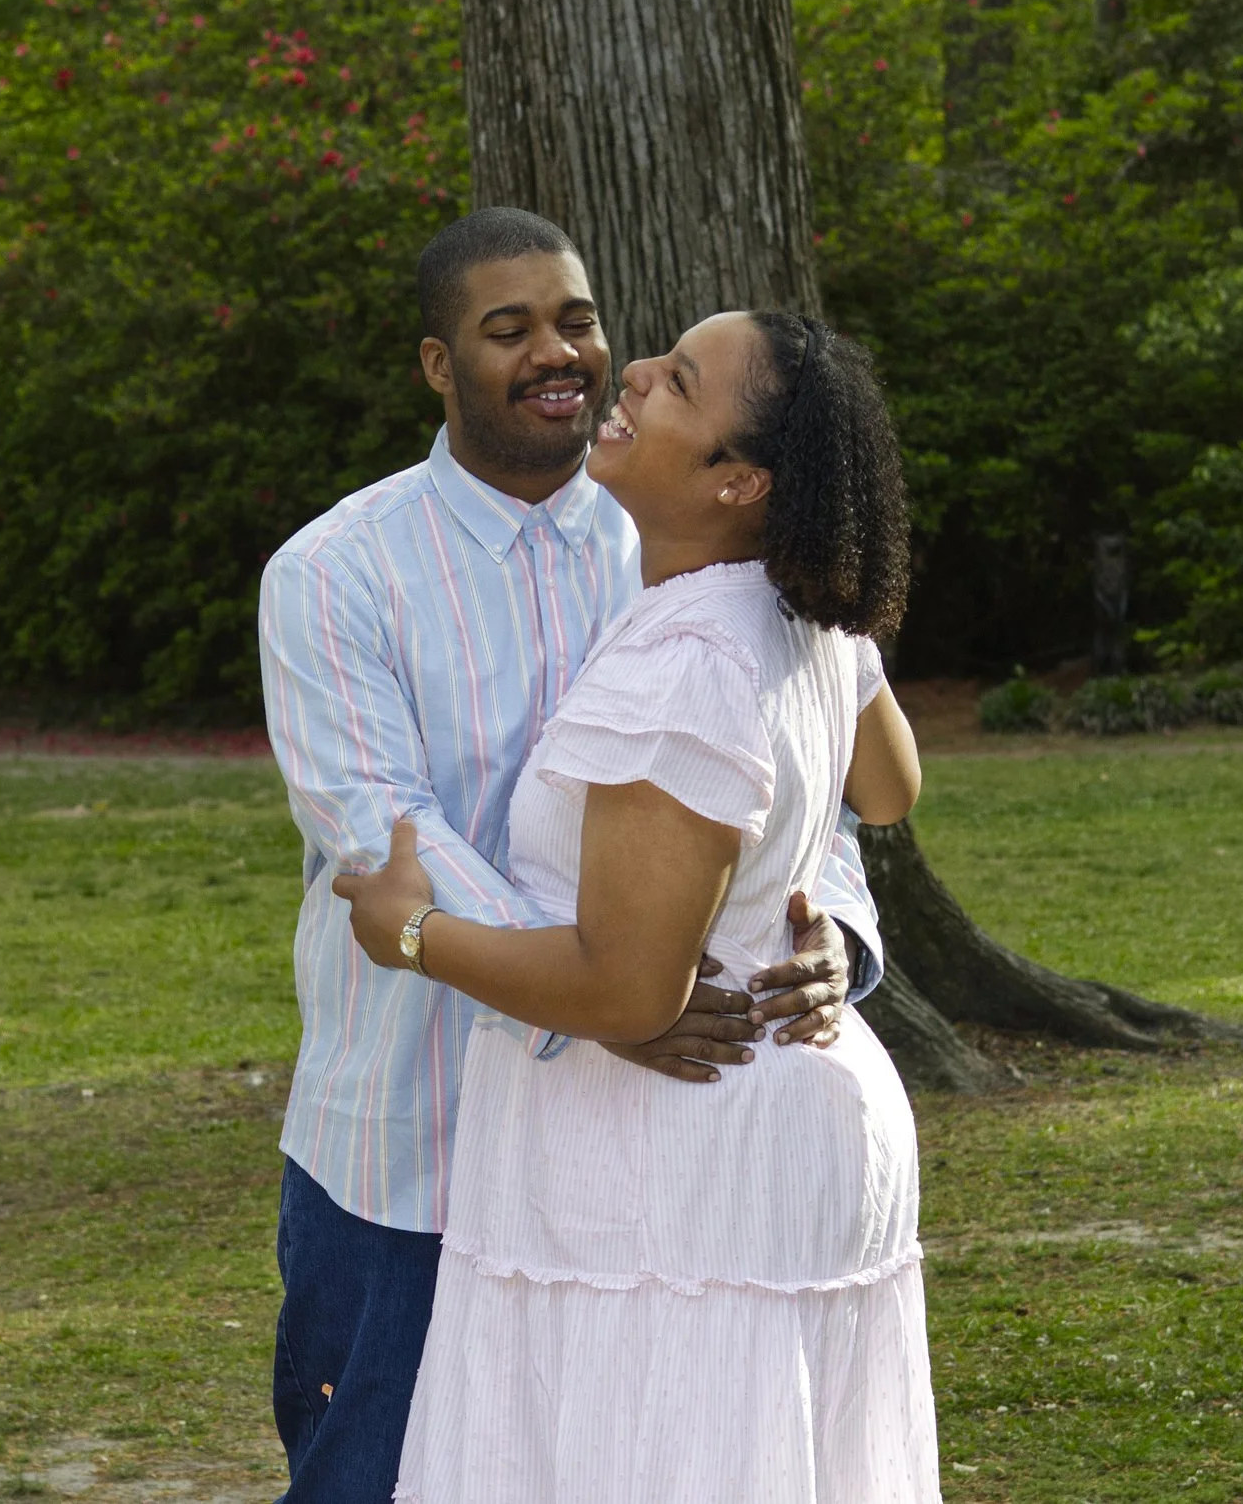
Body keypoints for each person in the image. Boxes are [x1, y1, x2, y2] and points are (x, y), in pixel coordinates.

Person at [256, 209, 889, 1504]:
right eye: (511, 330)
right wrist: (603, 1003)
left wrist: (835, 935)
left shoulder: (682, 536)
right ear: (438, 365)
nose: (562, 354)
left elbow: (799, 761)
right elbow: (389, 836)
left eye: (579, 320)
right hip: (407, 1141)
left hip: (637, 1174)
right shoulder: (334, 574)